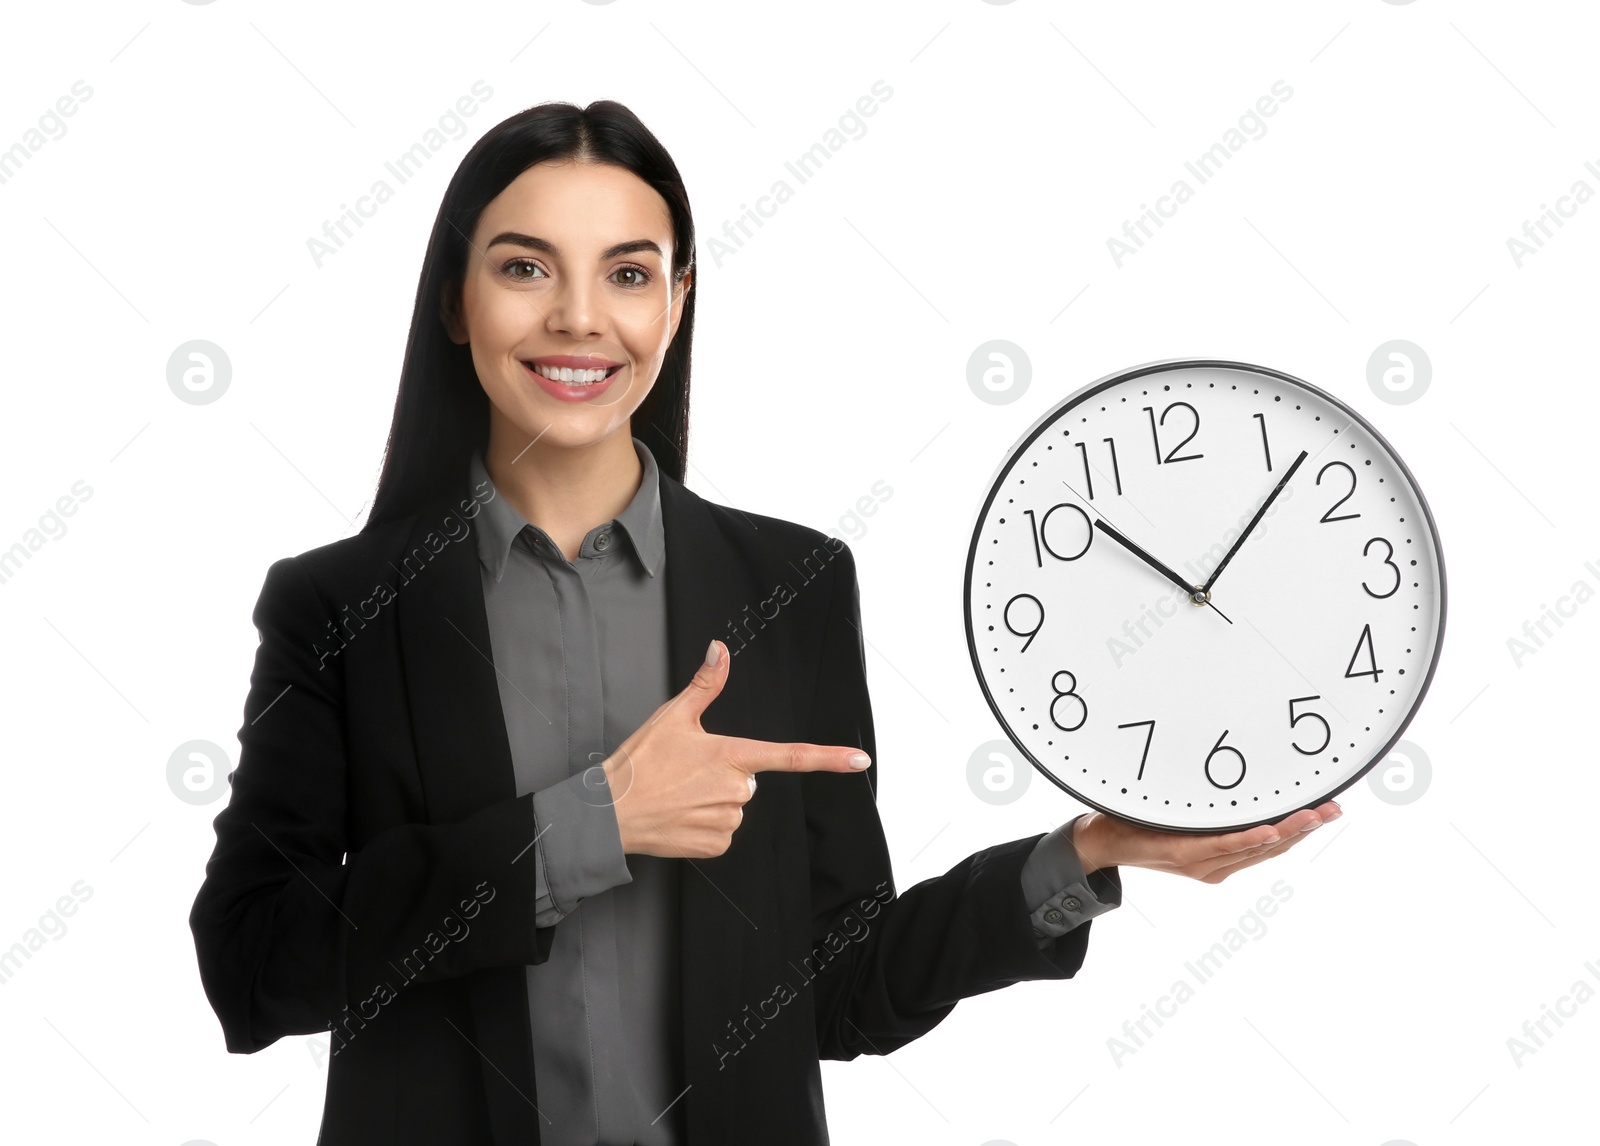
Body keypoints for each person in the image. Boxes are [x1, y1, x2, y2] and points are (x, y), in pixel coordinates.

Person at [188, 99, 1340, 1146]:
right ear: (456, 298)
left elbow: (838, 989)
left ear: (678, 300)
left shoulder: (792, 583)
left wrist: (1086, 855)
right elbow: (250, 965)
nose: (581, 318)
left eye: (629, 275)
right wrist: (584, 827)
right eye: (526, 268)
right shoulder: (338, 605)